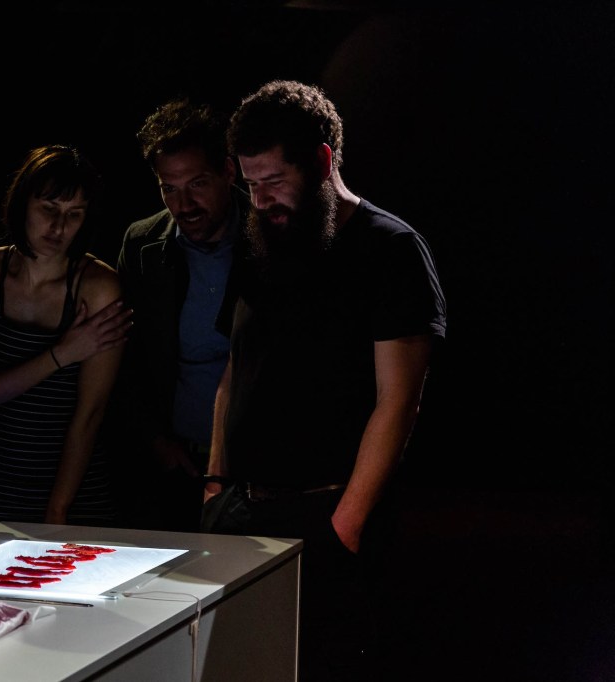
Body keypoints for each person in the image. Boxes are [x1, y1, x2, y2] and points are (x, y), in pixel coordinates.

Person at [202, 80, 447, 681]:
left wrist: (346, 525)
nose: (261, 199)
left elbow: (399, 401)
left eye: (274, 180)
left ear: (321, 160)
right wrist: (215, 486)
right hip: (241, 511)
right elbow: (234, 371)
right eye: (250, 184)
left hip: (328, 516)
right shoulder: (259, 242)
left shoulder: (391, 249)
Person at [0, 145, 131, 527]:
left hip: (73, 492)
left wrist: (57, 510)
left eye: (74, 214)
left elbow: (90, 414)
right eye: (49, 209)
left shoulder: (98, 287)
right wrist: (62, 354)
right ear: (23, 202)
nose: (59, 227)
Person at [113, 97, 249, 532]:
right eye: (169, 188)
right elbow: (125, 356)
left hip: (255, 467)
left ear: (229, 171)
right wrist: (156, 441)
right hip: (172, 465)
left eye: (197, 183)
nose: (183, 203)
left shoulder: (270, 235)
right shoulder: (142, 244)